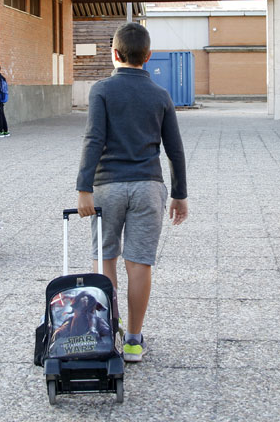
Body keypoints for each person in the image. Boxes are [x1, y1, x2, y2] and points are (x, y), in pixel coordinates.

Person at [75, 22, 188, 363]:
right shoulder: (161, 95)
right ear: (148, 56)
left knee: (105, 257)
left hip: (107, 186)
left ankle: (109, 333)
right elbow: (175, 149)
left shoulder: (102, 90)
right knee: (140, 263)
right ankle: (135, 341)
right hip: (148, 187)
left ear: (114, 53)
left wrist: (83, 188)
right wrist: (179, 194)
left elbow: (94, 139)